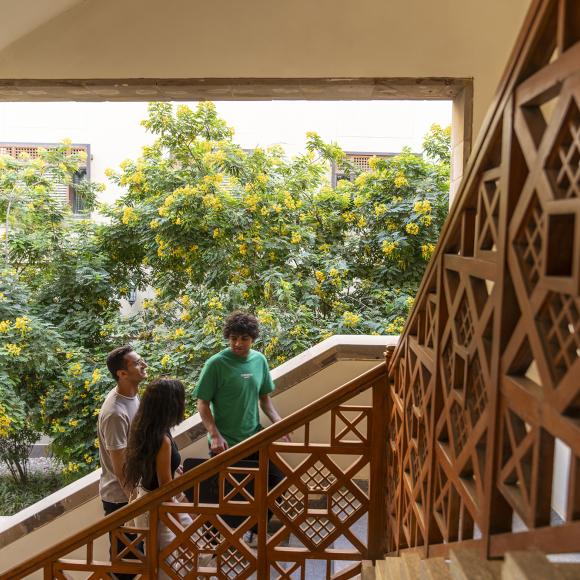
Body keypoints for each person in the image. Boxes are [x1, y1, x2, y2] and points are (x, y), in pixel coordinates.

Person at [195, 310, 289, 544]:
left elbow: (264, 399)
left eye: (244, 339)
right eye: (233, 338)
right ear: (228, 337)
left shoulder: (259, 360)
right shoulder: (216, 364)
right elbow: (202, 403)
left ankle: (256, 532)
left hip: (255, 439)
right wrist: (214, 435)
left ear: (253, 339)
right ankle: (215, 544)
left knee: (278, 483)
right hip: (225, 445)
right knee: (224, 498)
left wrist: (280, 424)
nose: (238, 343)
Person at [124, 378, 193, 578]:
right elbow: (165, 489)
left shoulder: (145, 429)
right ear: (171, 404)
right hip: (158, 509)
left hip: (149, 502)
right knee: (166, 569)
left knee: (162, 565)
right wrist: (179, 526)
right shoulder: (161, 439)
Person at [97, 344, 147, 579]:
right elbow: (120, 467)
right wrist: (133, 504)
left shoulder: (133, 396)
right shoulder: (115, 412)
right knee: (125, 566)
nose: (143, 365)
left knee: (139, 560)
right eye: (137, 363)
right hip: (122, 498)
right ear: (122, 374)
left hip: (136, 493)